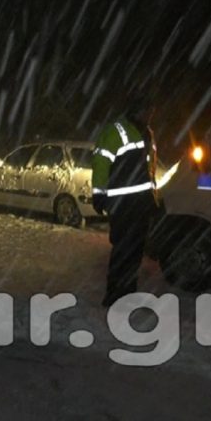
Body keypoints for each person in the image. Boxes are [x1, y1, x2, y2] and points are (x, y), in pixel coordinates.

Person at [92, 104, 160, 307]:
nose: (150, 113)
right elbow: (101, 163)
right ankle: (114, 296)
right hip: (122, 204)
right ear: (136, 109)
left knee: (135, 252)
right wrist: (99, 195)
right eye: (147, 109)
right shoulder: (116, 131)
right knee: (123, 251)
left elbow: (149, 168)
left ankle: (129, 294)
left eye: (152, 110)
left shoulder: (147, 132)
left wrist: (153, 197)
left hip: (140, 203)